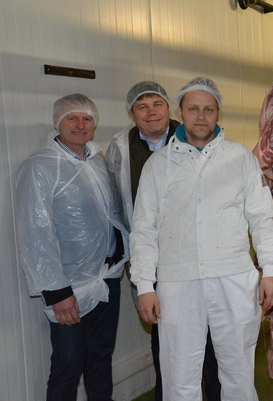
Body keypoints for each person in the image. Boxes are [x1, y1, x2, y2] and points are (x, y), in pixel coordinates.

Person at [129, 77, 273, 401]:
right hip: (177, 282)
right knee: (179, 376)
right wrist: (145, 286)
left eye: (208, 109)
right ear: (180, 113)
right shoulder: (159, 166)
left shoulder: (239, 158)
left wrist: (270, 271)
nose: (201, 116)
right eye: (193, 109)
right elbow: (144, 229)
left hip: (234, 277)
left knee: (237, 373)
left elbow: (261, 218)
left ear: (217, 113)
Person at [104, 81, 221, 401]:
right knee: (164, 333)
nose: (150, 112)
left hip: (199, 253)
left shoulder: (194, 134)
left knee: (210, 333)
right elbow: (115, 204)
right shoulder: (119, 147)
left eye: (156, 104)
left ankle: (216, 394)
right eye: (142, 107)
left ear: (170, 109)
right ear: (132, 113)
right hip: (151, 260)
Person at [15, 93, 128, 401]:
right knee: (68, 364)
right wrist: (56, 291)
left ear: (95, 124)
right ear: (57, 122)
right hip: (68, 287)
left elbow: (114, 215)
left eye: (87, 119)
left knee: (100, 358)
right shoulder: (40, 167)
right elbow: (35, 232)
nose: (80, 125)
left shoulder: (98, 162)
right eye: (72, 118)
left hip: (106, 278)